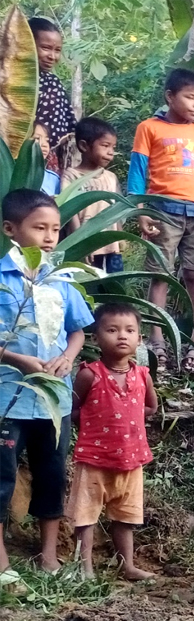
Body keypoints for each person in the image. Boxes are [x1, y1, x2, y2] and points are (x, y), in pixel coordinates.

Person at [0, 190, 94, 580]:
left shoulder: (61, 278)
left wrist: (69, 357)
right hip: (8, 398)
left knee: (51, 474)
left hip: (54, 399)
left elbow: (78, 331)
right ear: (10, 230)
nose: (50, 236)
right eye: (39, 228)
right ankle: (3, 562)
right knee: (2, 478)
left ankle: (49, 555)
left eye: (55, 228)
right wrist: (15, 359)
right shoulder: (2, 279)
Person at [68, 304, 157, 580]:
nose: (122, 336)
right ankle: (85, 569)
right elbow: (73, 410)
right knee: (85, 516)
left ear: (139, 339)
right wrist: (98, 424)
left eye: (130, 330)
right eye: (112, 330)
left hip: (132, 459)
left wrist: (125, 418)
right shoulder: (88, 374)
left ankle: (127, 566)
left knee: (126, 516)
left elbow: (151, 407)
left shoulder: (142, 375)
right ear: (95, 338)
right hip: (93, 459)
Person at [129, 68, 194, 369]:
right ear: (170, 97)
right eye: (190, 97)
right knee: (160, 273)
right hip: (163, 210)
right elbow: (137, 171)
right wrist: (140, 212)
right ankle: (157, 338)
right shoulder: (149, 128)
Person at [61, 118, 122, 274]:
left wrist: (120, 236)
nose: (110, 152)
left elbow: (118, 208)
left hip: (110, 244)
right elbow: (70, 211)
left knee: (115, 285)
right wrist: (79, 243)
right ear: (84, 146)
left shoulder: (110, 177)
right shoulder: (71, 176)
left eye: (113, 147)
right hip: (85, 242)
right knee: (88, 287)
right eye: (105, 145)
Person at [29, 17, 75, 164]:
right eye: (46, 48)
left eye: (57, 50)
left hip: (40, 163)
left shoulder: (52, 84)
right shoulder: (6, 78)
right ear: (27, 44)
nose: (52, 57)